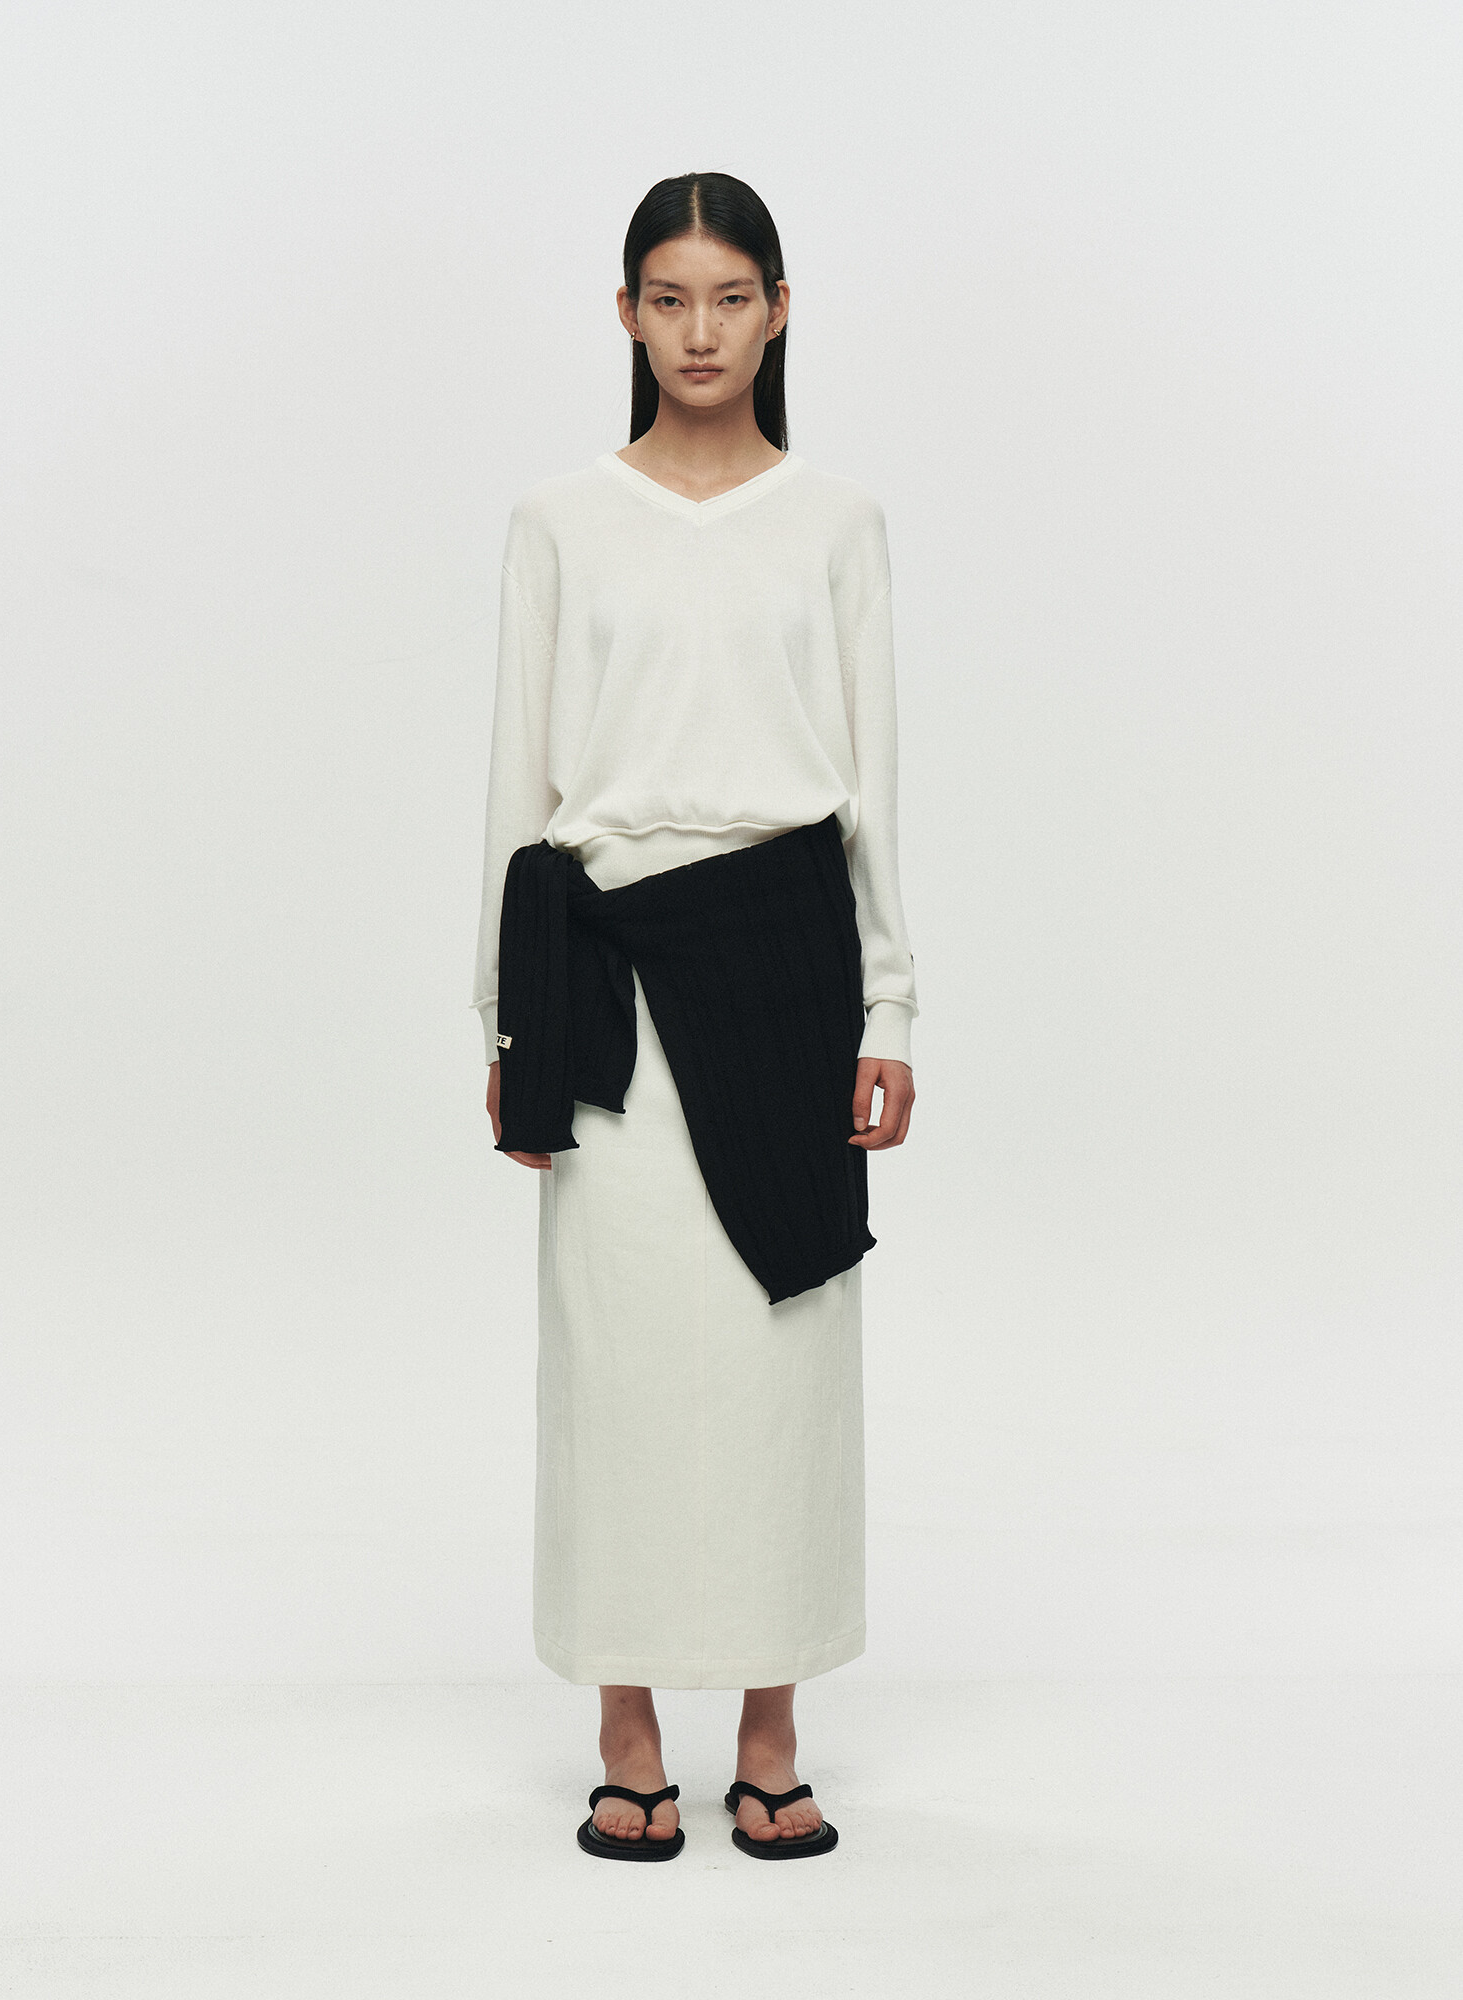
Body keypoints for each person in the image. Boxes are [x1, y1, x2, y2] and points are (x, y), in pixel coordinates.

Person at [471, 171, 918, 1861]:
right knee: (622, 1358)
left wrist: (891, 1005)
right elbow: (518, 775)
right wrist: (504, 1023)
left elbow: (875, 782)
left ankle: (774, 1728)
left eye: (733, 297)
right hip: (608, 971)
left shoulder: (839, 522)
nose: (702, 331)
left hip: (789, 961)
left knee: (781, 1351)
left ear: (781, 310)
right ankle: (628, 1726)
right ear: (627, 315)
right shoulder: (559, 520)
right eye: (670, 298)